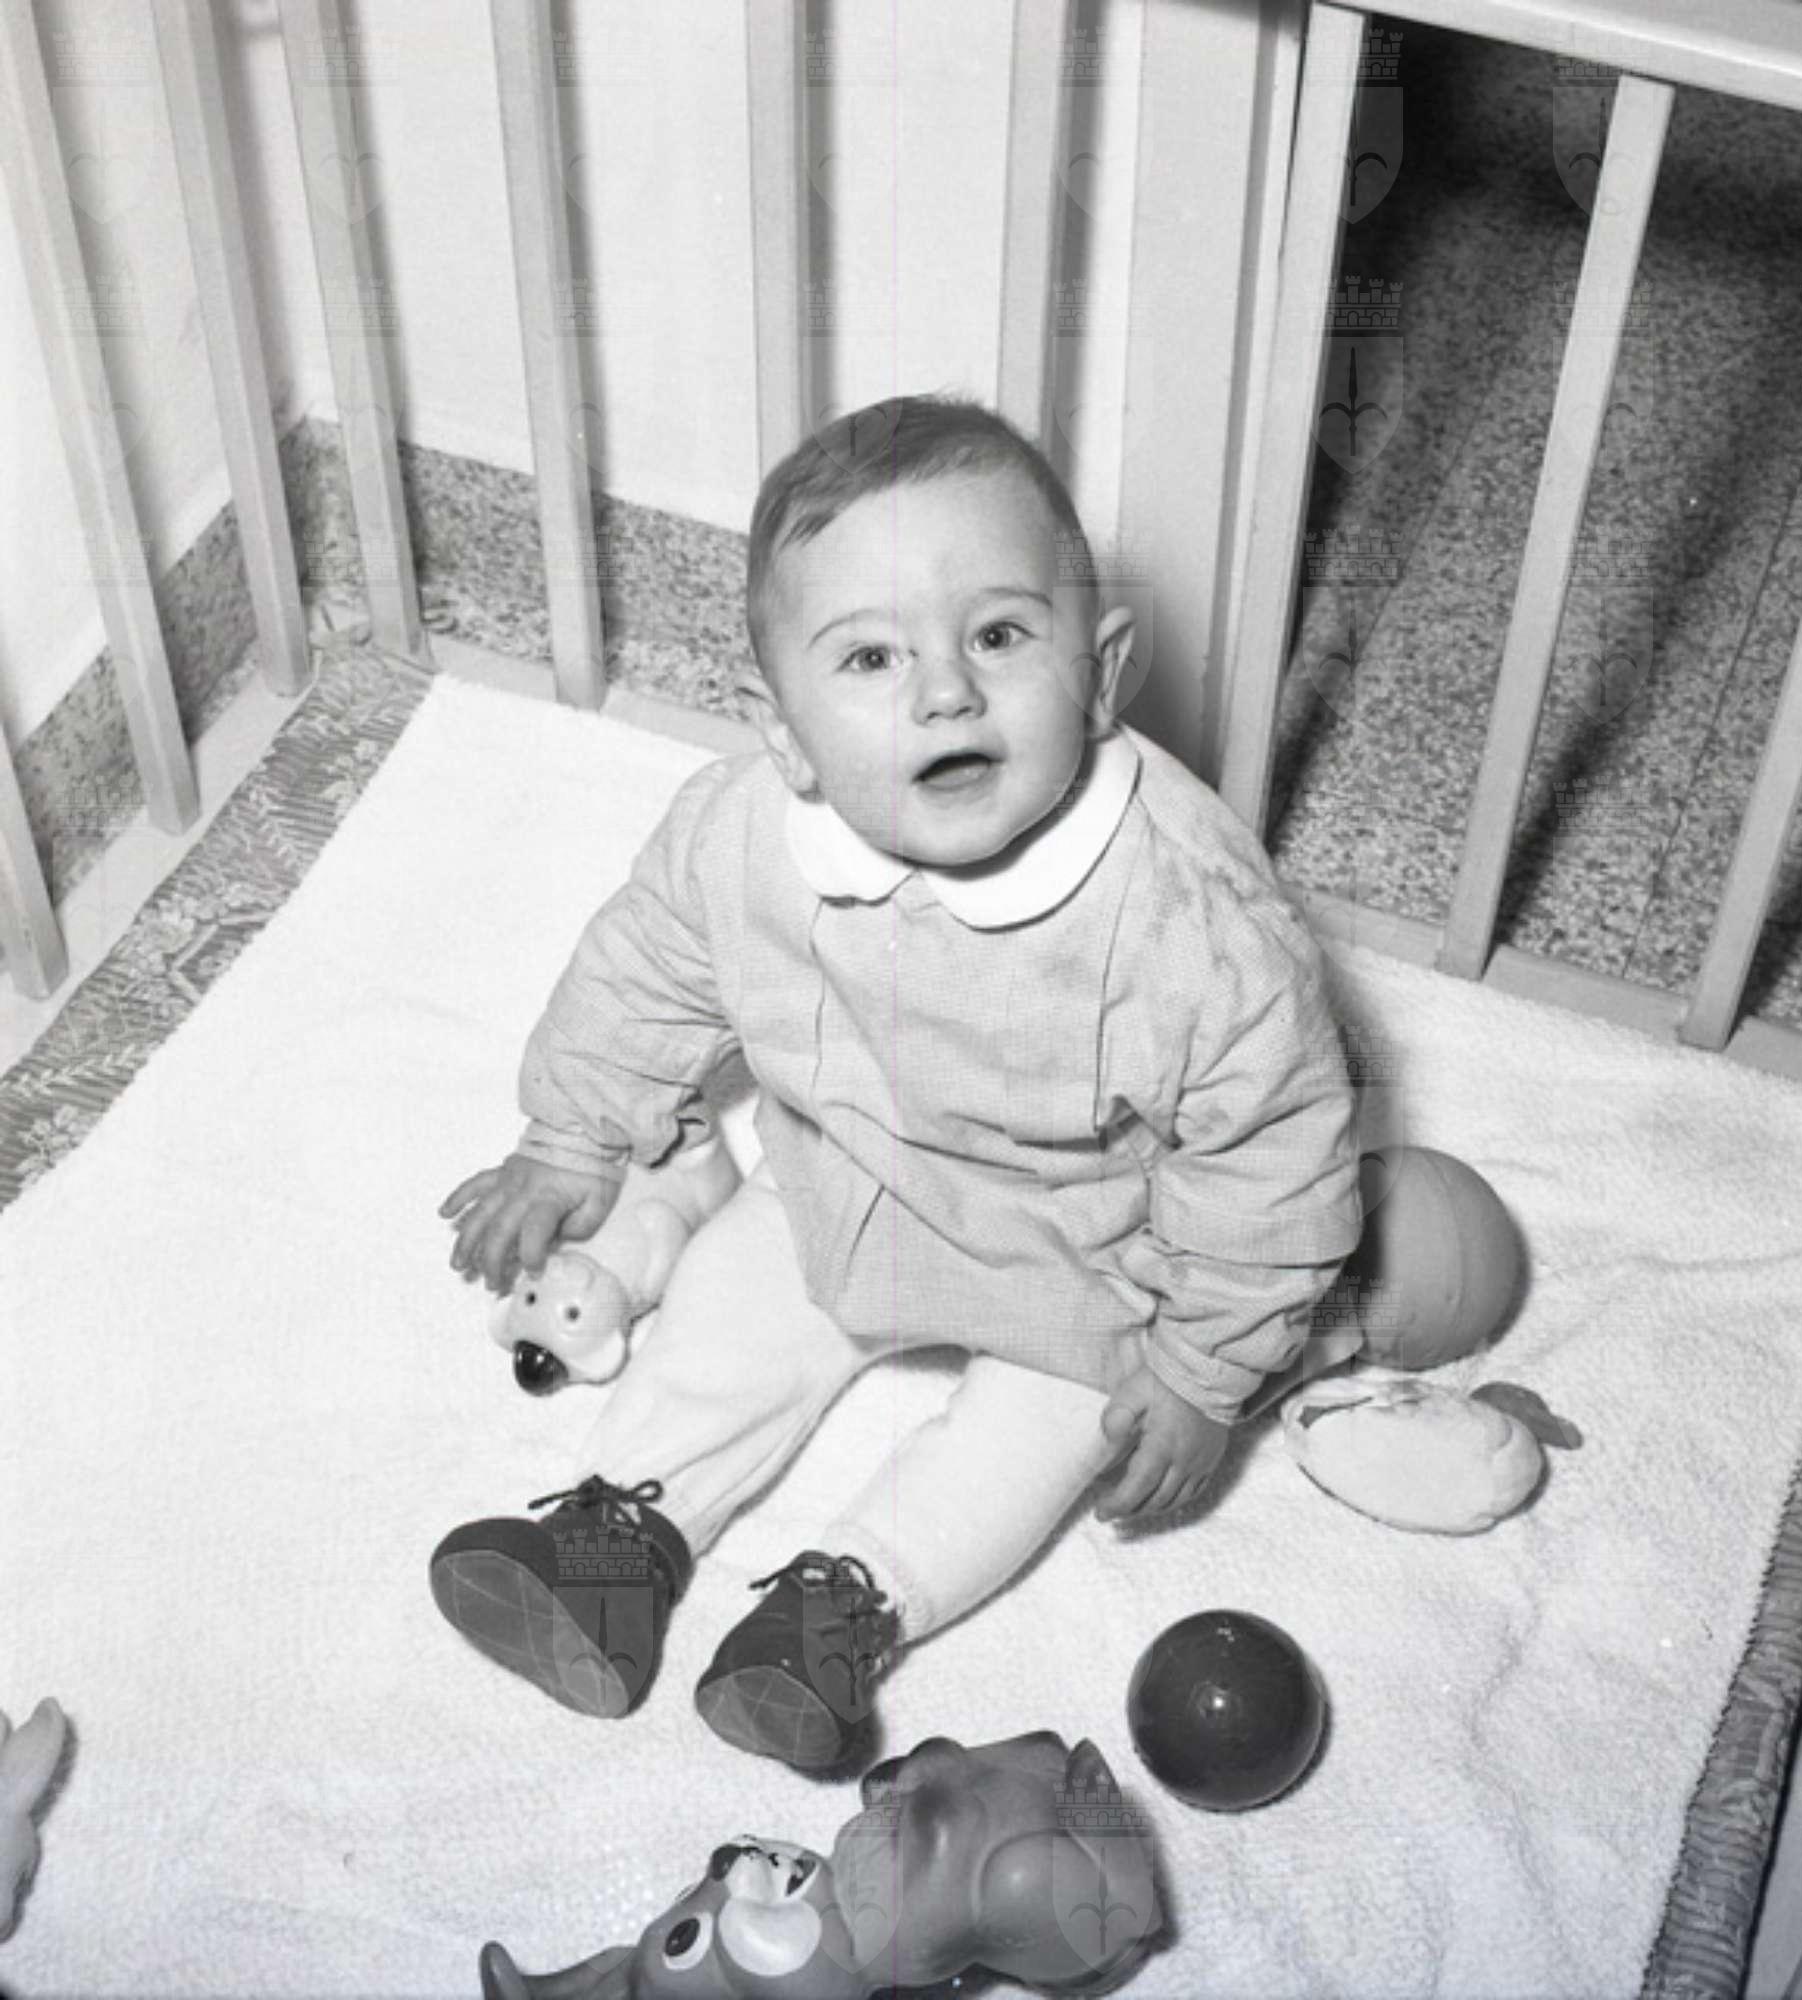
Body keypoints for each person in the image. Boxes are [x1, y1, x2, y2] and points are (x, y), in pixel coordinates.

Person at [430, 394, 1364, 1771]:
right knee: (731, 1307)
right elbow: (647, 969)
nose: (945, 692)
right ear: (786, 732)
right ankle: (619, 1539)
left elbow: (1274, 1153)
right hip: (843, 1185)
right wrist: (570, 1135)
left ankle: (842, 1610)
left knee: (1043, 1433)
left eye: (999, 636)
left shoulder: (1189, 922)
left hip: (1086, 1254)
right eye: (870, 656)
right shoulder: (744, 836)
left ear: (1101, 672)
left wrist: (1206, 1367)